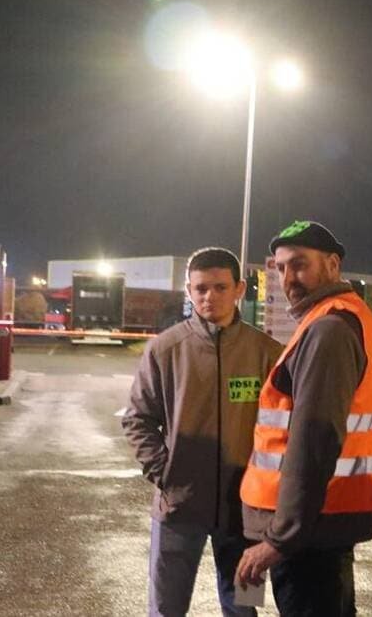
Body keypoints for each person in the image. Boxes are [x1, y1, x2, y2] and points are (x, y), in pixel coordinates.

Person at [234, 221, 372, 616]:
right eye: (282, 268)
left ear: (333, 265)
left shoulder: (329, 329)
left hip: (309, 533)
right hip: (322, 523)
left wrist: (281, 538)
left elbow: (313, 441)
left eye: (300, 265)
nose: (289, 278)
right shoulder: (338, 319)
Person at [122, 247, 283, 617]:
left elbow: (282, 429)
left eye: (220, 287)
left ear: (240, 288)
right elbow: (138, 418)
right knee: (166, 607)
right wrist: (164, 472)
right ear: (189, 291)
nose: (209, 297)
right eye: (200, 289)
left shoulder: (267, 353)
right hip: (179, 506)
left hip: (246, 509)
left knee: (244, 608)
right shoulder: (164, 350)